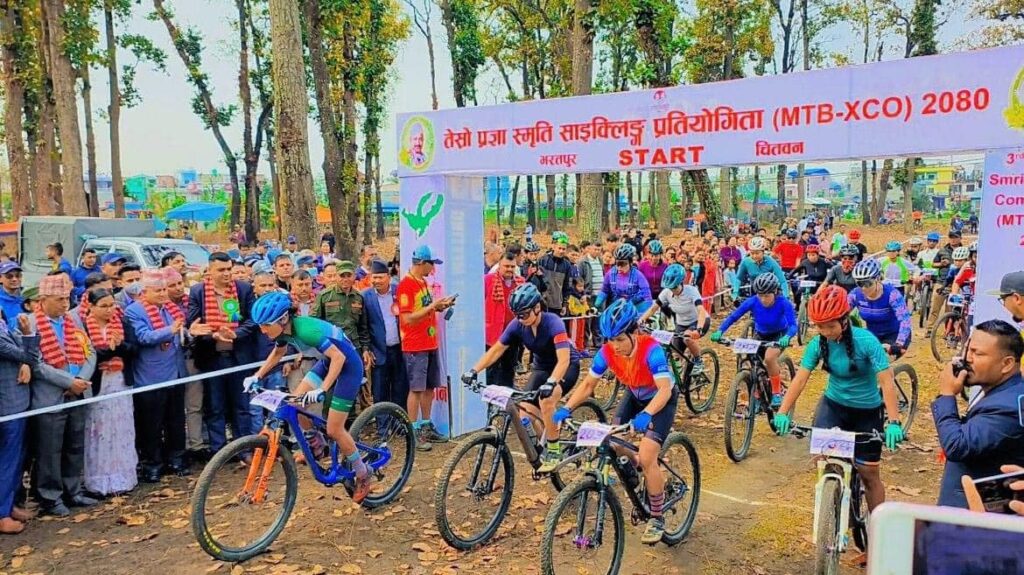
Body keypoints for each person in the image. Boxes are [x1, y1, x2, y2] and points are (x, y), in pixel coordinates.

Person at [773, 286, 903, 522]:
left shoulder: (867, 341)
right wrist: (782, 412)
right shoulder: (817, 344)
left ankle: (878, 529)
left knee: (869, 473)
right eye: (820, 326)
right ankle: (832, 507)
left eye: (830, 326)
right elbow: (800, 379)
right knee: (823, 460)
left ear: (844, 320)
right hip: (833, 406)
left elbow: (886, 382)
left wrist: (894, 422)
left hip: (867, 411)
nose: (825, 332)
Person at [556, 299, 677, 544]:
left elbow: (664, 390)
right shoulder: (608, 351)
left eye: (620, 339)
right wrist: (567, 408)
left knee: (648, 455)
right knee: (613, 440)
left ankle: (657, 517)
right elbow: (588, 384)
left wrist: (647, 414)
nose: (615, 346)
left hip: (660, 399)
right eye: (610, 340)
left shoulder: (652, 350)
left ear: (635, 332)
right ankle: (637, 467)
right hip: (634, 393)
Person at [246, 291, 375, 502]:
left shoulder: (306, 330)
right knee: (294, 404)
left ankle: (362, 471)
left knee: (334, 428)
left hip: (348, 365)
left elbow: (339, 357)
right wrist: (257, 376)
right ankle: (316, 443)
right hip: (327, 362)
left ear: (283, 319)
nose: (262, 330)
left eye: (266, 325)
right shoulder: (282, 332)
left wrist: (322, 389)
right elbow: (278, 353)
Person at [466, 282, 582, 468]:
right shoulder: (517, 324)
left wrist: (552, 382)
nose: (520, 319)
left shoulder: (554, 322)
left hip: (566, 366)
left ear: (537, 308)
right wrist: (474, 370)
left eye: (524, 314)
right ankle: (546, 439)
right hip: (541, 368)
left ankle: (554, 449)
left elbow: (563, 360)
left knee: (546, 400)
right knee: (524, 412)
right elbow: (496, 350)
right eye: (517, 315)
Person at [26, 274, 97, 516]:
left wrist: (81, 380)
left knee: (74, 445)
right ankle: (50, 497)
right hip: (50, 397)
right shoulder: (29, 323)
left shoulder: (73, 321)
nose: (65, 304)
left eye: (67, 298)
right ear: (43, 300)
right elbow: (35, 364)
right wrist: (68, 381)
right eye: (59, 299)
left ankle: (73, 490)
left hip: (78, 393)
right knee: (49, 450)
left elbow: (89, 352)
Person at [932, 320, 1024, 508]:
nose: (967, 359)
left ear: (1007, 364)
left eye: (977, 353)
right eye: (968, 349)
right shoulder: (1001, 390)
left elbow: (957, 446)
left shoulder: (1008, 407)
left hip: (977, 515)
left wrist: (947, 395)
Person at [187, 252, 258, 457]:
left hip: (239, 357)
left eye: (229, 269)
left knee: (241, 406)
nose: (226, 273)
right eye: (221, 270)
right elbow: (194, 323)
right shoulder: (198, 291)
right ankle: (219, 452)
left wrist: (236, 334)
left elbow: (253, 320)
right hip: (212, 358)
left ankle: (243, 450)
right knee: (215, 407)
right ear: (210, 270)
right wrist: (213, 335)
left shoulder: (243, 289)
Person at [125, 271, 187, 482]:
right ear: (144, 292)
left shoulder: (170, 308)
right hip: (150, 377)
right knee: (151, 425)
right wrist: (170, 330)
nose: (163, 294)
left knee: (176, 421)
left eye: (164, 289)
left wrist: (192, 332)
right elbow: (143, 337)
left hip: (176, 373)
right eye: (157, 290)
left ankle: (176, 459)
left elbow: (179, 334)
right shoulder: (134, 311)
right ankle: (153, 465)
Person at [74, 288, 137, 495]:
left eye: (112, 305)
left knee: (121, 428)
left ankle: (123, 478)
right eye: (103, 306)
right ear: (91, 307)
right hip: (97, 384)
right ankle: (98, 481)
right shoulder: (82, 327)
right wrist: (110, 350)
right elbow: (85, 355)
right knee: (98, 430)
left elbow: (134, 349)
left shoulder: (122, 322)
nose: (109, 310)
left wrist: (120, 346)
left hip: (120, 382)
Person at [397, 245, 455, 450]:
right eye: (432, 264)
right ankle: (412, 431)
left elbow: (424, 310)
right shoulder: (406, 285)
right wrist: (432, 306)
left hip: (430, 342)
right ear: (422, 263)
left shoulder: (423, 282)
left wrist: (439, 307)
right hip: (415, 345)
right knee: (416, 389)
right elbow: (407, 318)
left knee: (430, 387)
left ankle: (426, 425)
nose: (433, 268)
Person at [713, 273, 796, 408]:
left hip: (779, 335)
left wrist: (787, 337)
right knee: (752, 360)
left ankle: (776, 392)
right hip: (760, 334)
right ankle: (757, 390)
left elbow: (793, 325)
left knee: (769, 358)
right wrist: (720, 331)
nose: (763, 299)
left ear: (775, 292)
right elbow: (734, 316)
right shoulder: (752, 301)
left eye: (767, 296)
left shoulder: (783, 303)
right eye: (760, 295)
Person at [0, 312, 39, 534]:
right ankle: (2, 515)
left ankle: (10, 504)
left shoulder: (4, 323)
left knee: (17, 460)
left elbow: (25, 355)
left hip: (19, 401)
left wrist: (24, 360)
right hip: (6, 406)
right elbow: (30, 355)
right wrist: (28, 333)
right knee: (7, 460)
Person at [640, 263, 709, 374]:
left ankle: (698, 361)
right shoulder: (666, 293)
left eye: (675, 287)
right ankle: (679, 379)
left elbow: (701, 310)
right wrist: (641, 320)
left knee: (687, 338)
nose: (673, 291)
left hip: (698, 321)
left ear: (681, 283)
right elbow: (653, 309)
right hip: (681, 324)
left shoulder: (691, 291)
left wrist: (699, 329)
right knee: (675, 353)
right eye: (670, 288)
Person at [362, 259, 408, 416]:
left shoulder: (399, 291)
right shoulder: (366, 296)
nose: (377, 281)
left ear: (388, 277)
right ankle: (383, 426)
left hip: (399, 349)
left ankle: (399, 423)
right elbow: (364, 326)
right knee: (380, 391)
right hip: (378, 351)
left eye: (380, 277)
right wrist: (367, 348)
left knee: (400, 389)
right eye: (374, 277)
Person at [848, 259, 913, 357]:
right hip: (873, 335)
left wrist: (899, 344)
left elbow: (905, 320)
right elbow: (841, 313)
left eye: (868, 283)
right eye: (859, 283)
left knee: (881, 359)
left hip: (894, 335)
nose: (863, 288)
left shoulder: (892, 295)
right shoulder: (855, 294)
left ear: (878, 279)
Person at [483, 252, 525, 388]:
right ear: (499, 266)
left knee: (509, 368)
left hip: (513, 334)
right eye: (506, 266)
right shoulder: (487, 280)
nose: (509, 269)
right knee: (491, 369)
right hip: (493, 334)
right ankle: (490, 396)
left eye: (512, 267)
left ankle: (506, 396)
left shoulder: (521, 282)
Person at [594, 244, 653, 314]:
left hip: (635, 307)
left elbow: (647, 297)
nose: (619, 267)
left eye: (623, 264)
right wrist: (596, 306)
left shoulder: (638, 275)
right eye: (617, 263)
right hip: (616, 307)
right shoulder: (610, 273)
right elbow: (604, 291)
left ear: (630, 263)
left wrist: (643, 315)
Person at [537, 232, 575, 314]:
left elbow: (567, 286)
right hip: (542, 303)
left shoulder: (567, 265)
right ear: (553, 246)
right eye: (559, 248)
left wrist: (565, 304)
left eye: (564, 249)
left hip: (557, 305)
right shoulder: (543, 261)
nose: (561, 251)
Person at [0, 262, 24, 330]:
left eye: (18, 275)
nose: (14, 279)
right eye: (9, 276)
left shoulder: (28, 298)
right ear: (0, 278)